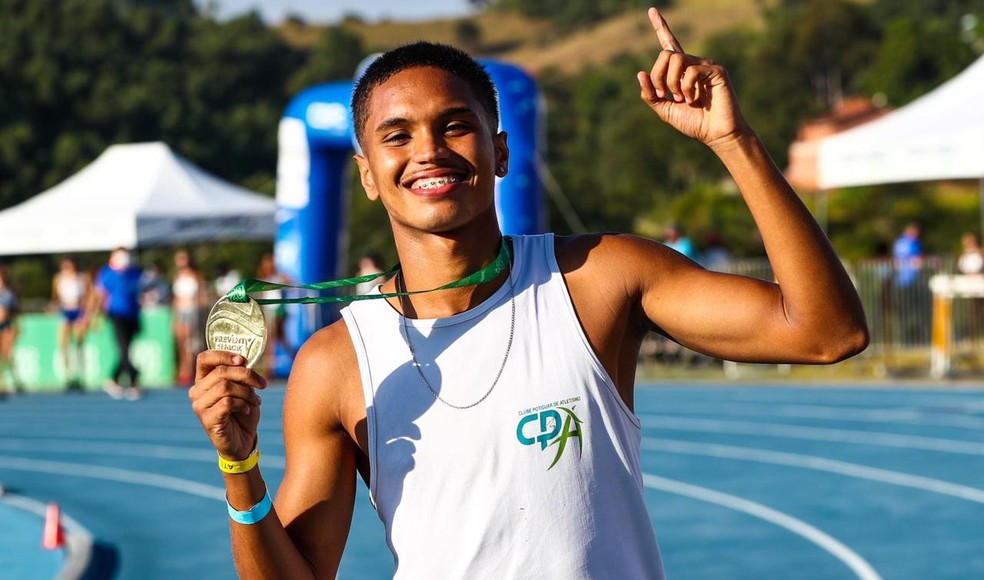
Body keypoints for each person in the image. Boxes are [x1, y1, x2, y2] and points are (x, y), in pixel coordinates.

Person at [189, 9, 868, 579]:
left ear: (501, 152)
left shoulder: (598, 278)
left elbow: (826, 332)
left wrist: (735, 141)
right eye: (398, 135)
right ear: (368, 175)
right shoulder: (334, 364)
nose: (429, 150)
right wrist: (238, 464)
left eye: (455, 125)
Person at [93, 247, 143, 401]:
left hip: (132, 315)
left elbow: (139, 292)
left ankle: (113, 378)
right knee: (123, 347)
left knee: (126, 348)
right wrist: (96, 315)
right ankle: (134, 379)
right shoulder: (107, 273)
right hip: (116, 314)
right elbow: (100, 295)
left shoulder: (134, 272)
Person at [51, 257, 92, 391]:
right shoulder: (59, 279)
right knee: (64, 345)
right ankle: (67, 376)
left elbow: (88, 296)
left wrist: (86, 314)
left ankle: (80, 374)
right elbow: (55, 297)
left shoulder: (82, 278)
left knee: (79, 344)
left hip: (79, 311)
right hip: (65, 311)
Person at [172, 250, 207, 386]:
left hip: (192, 311)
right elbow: (175, 298)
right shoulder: (177, 277)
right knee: (182, 342)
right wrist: (174, 317)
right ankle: (183, 369)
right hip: (181, 311)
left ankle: (191, 370)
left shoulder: (196, 276)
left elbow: (201, 297)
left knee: (190, 342)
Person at [255, 252, 292, 376]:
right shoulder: (264, 279)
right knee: (280, 339)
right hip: (268, 310)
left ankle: (269, 370)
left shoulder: (277, 278)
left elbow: (290, 281)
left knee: (270, 339)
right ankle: (293, 359)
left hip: (278, 310)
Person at [0, 267, 21, 396]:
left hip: (6, 327)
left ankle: (15, 380)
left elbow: (8, 313)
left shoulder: (8, 294)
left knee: (7, 356)